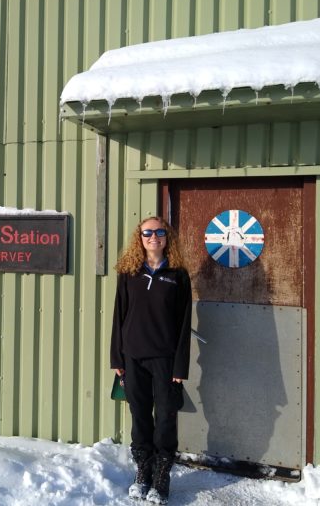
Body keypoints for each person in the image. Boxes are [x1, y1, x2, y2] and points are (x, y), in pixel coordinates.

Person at [110, 216, 192, 504]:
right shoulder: (129, 272)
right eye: (148, 232)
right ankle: (143, 472)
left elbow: (184, 324)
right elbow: (119, 316)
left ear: (167, 237)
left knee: (166, 418)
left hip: (166, 359)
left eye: (159, 232)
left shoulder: (178, 275)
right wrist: (116, 357)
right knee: (140, 416)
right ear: (140, 237)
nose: (153, 237)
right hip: (133, 357)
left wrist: (181, 365)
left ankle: (161, 478)